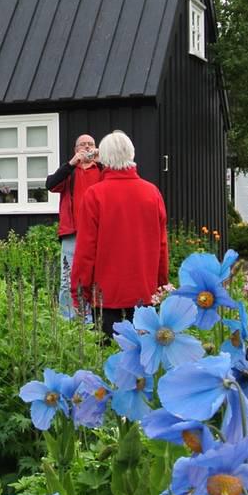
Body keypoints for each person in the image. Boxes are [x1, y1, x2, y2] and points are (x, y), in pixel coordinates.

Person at [70, 131, 168, 340]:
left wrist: (80, 294)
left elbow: (86, 250)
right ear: (131, 154)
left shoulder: (95, 195)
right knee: (145, 362)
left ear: (103, 158)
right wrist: (161, 285)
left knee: (108, 363)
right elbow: (161, 246)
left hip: (106, 297)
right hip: (145, 294)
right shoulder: (152, 193)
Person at [45, 133, 103, 318]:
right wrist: (71, 163)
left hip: (97, 233)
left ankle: (92, 319)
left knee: (95, 277)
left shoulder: (102, 170)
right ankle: (67, 321)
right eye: (82, 145)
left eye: (91, 144)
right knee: (67, 279)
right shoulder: (69, 172)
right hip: (73, 233)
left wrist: (103, 161)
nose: (87, 147)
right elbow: (50, 184)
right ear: (76, 149)